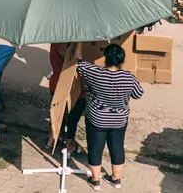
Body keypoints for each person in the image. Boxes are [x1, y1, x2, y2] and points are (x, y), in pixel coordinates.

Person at [77, 44, 143, 190]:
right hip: (119, 120)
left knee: (95, 148)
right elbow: (138, 94)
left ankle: (95, 181)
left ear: (105, 58)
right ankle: (115, 179)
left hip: (97, 119)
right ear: (121, 60)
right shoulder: (128, 77)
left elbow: (79, 65)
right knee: (117, 147)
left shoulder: (95, 73)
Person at [48, 43, 85, 154]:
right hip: (72, 87)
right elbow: (75, 59)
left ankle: (52, 138)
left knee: (58, 115)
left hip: (56, 83)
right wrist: (79, 42)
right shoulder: (70, 45)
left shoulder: (56, 40)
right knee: (72, 118)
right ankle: (69, 143)